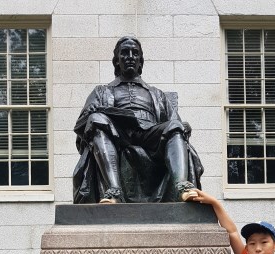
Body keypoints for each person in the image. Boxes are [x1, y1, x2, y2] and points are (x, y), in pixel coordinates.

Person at [73, 36, 203, 204]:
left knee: (175, 126)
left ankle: (182, 187)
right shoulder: (101, 91)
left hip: (150, 135)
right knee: (96, 118)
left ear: (140, 61)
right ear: (117, 60)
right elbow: (82, 128)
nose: (130, 57)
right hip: (117, 135)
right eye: (124, 53)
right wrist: (90, 114)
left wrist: (184, 127)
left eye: (135, 53)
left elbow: (174, 122)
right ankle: (114, 191)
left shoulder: (157, 94)